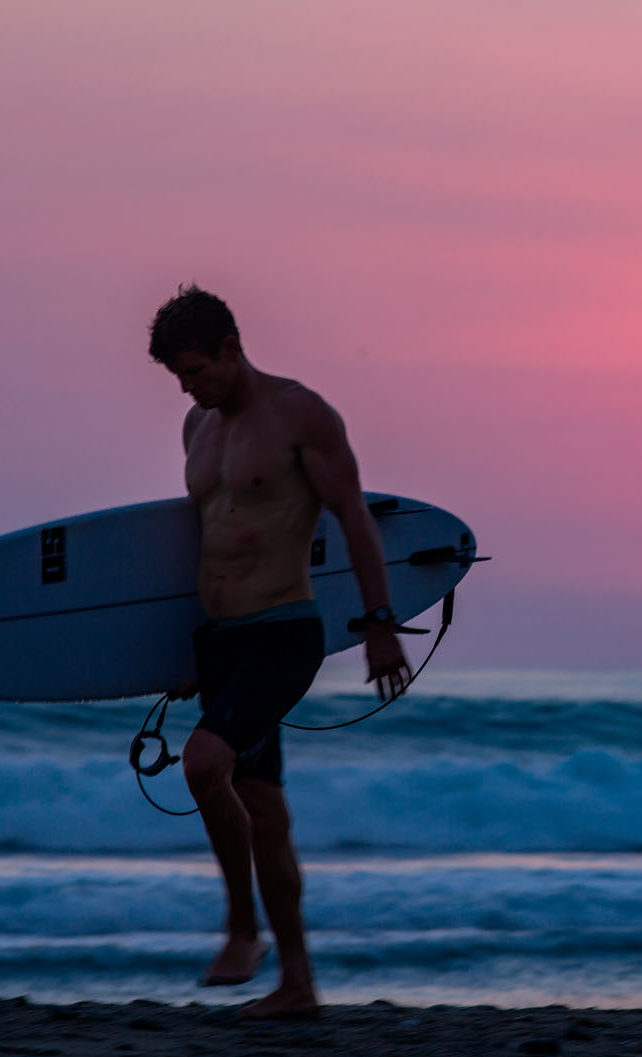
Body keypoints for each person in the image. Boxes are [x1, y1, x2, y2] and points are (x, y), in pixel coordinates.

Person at [148, 284, 410, 1019]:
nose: (188, 386)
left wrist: (379, 622)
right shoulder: (196, 427)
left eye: (196, 369)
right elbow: (203, 540)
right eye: (178, 377)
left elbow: (354, 517)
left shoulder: (301, 415)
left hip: (284, 632)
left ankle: (241, 930)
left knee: (204, 764)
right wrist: (168, 653)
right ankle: (299, 987)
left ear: (232, 348)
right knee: (264, 812)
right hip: (222, 641)